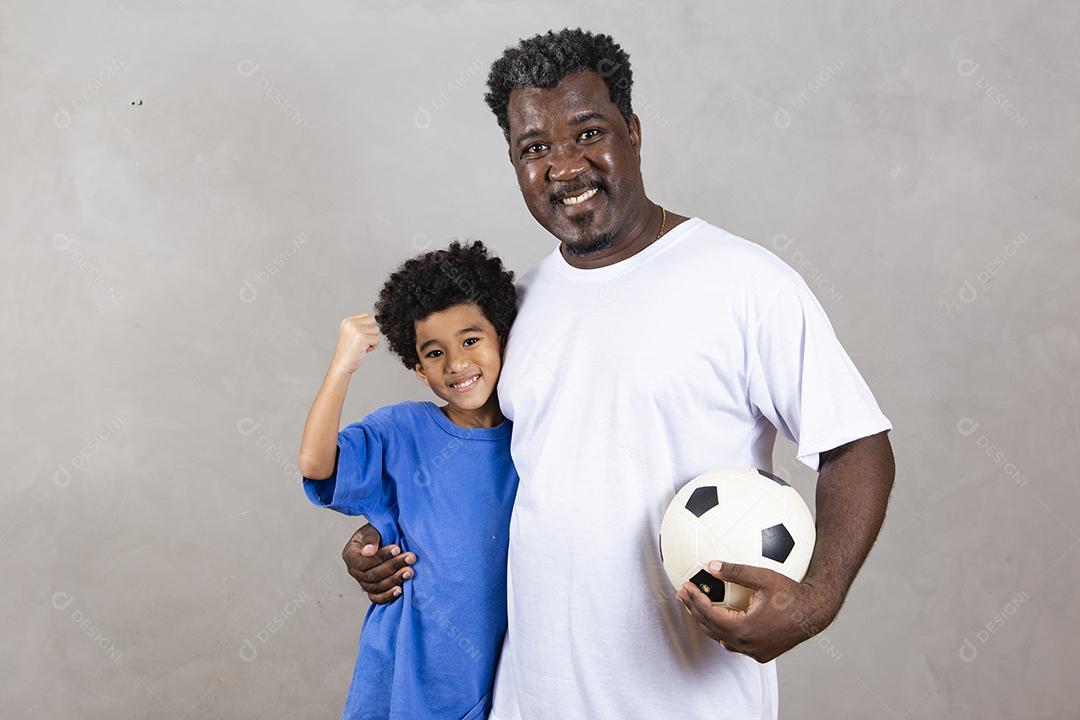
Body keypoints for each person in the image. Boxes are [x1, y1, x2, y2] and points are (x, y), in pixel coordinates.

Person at [341, 28, 896, 719]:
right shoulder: (516, 307)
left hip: (686, 700)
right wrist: (390, 539)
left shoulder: (744, 282)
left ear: (632, 133)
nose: (565, 166)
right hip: (528, 700)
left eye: (587, 133)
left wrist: (816, 599)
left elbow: (856, 445)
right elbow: (477, 468)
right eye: (535, 149)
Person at [297, 240, 520, 719]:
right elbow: (317, 464)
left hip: (496, 685)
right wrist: (343, 366)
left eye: (471, 339)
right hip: (407, 680)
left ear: (500, 336)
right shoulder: (403, 431)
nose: (457, 363)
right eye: (435, 353)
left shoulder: (531, 437)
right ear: (419, 370)